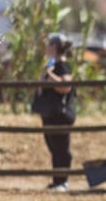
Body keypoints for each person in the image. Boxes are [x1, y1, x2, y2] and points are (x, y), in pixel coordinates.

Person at [32, 33, 76, 191]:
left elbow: (65, 87)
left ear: (54, 47)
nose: (46, 47)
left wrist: (49, 74)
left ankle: (63, 181)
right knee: (53, 147)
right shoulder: (51, 65)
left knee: (62, 148)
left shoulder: (62, 66)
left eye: (49, 44)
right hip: (49, 113)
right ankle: (57, 181)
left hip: (60, 114)